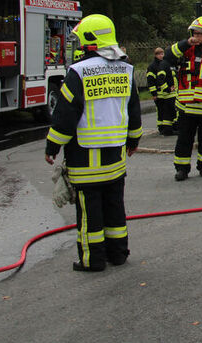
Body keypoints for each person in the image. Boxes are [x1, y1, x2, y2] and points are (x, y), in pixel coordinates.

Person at [45, 14, 142, 271]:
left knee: (89, 213)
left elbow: (65, 115)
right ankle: (118, 254)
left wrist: (52, 146)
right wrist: (134, 139)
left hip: (86, 158)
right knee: (115, 206)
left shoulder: (78, 72)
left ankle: (93, 260)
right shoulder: (126, 69)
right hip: (116, 157)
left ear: (89, 41)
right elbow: (133, 109)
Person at [165, 16, 202, 181]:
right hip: (186, 106)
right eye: (194, 33)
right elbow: (168, 56)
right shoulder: (186, 49)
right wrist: (186, 43)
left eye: (200, 33)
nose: (196, 36)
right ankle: (182, 168)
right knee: (184, 139)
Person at [146, 47, 178, 136]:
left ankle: (168, 128)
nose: (161, 56)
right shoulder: (152, 66)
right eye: (159, 54)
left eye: (162, 54)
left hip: (166, 93)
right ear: (155, 55)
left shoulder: (165, 64)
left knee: (167, 112)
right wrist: (154, 93)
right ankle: (162, 128)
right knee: (161, 112)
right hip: (160, 94)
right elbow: (151, 81)